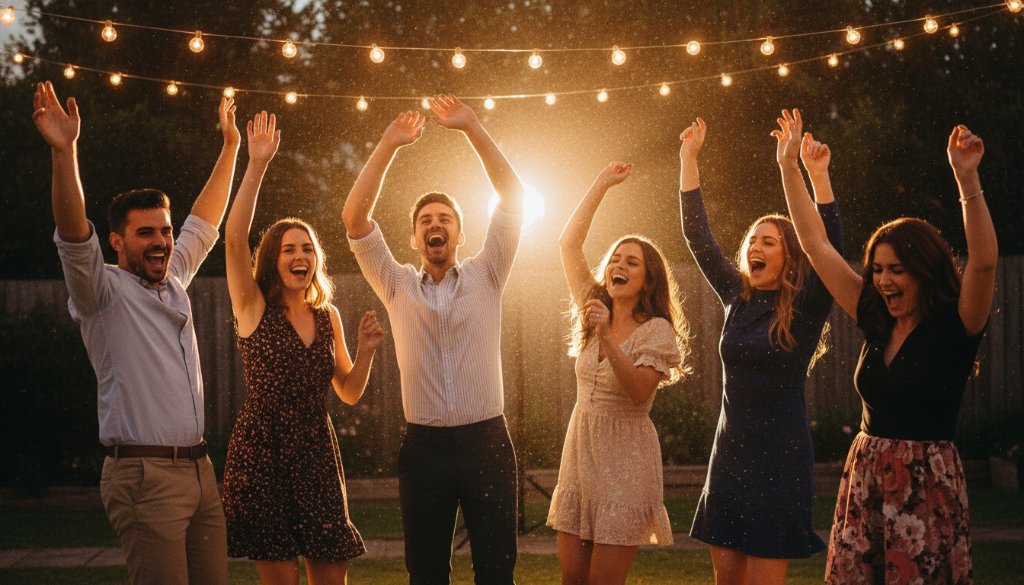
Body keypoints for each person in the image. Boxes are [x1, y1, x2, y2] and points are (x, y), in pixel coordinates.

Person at [773, 109, 997, 585]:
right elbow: (815, 245)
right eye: (877, 269)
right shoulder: (875, 317)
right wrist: (788, 166)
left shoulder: (957, 326)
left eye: (896, 269)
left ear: (923, 270)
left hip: (927, 492)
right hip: (866, 483)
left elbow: (983, 264)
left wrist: (967, 180)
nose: (883, 280)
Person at [33, 80, 238, 585]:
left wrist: (231, 146)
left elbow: (206, 220)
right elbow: (73, 232)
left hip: (199, 470)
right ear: (119, 241)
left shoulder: (173, 279)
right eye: (146, 232)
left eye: (164, 231)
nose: (161, 241)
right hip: (144, 477)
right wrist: (65, 152)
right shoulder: (101, 293)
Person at [341, 95, 524, 584]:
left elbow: (513, 196)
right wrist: (389, 142)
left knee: (496, 569)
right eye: (425, 221)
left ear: (460, 235)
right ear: (414, 240)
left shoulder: (489, 273)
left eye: (444, 219)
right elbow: (355, 219)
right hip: (423, 450)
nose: (435, 225)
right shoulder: (396, 284)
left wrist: (472, 128)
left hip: (487, 440)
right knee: (424, 572)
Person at [220, 111, 384, 584]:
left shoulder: (326, 317)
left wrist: (367, 349)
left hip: (315, 451)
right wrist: (256, 164)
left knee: (332, 578)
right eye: (290, 249)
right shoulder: (252, 307)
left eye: (308, 249)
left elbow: (349, 393)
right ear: (273, 259)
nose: (301, 257)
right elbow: (233, 239)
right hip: (262, 452)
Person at [679, 117, 842, 584]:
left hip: (779, 460)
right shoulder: (737, 297)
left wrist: (818, 175)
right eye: (752, 240)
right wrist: (689, 159)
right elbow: (698, 237)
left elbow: (828, 245)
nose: (754, 246)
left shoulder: (808, 308)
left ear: (789, 256)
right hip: (728, 455)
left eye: (767, 241)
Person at [547, 162, 689, 585]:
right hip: (580, 454)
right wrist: (600, 185)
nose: (619, 265)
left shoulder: (656, 331)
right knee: (572, 580)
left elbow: (638, 393)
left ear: (647, 280)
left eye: (632, 262)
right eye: (615, 259)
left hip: (626, 462)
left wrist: (608, 336)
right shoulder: (594, 305)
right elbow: (568, 245)